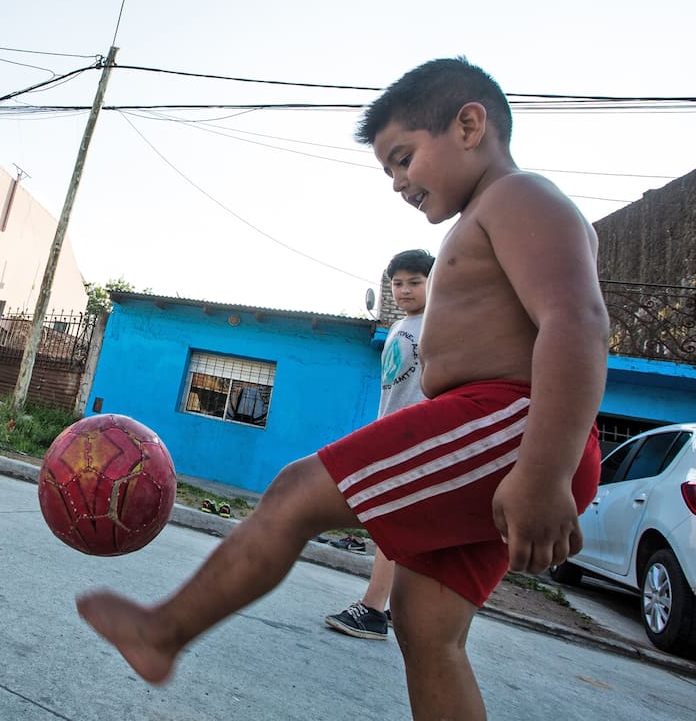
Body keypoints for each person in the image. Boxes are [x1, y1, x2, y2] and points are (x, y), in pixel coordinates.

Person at [75, 57, 609, 720]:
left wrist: (543, 473)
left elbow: (577, 321)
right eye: (388, 169)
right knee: (425, 628)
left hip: (514, 429)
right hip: (498, 437)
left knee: (298, 492)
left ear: (470, 124)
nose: (397, 182)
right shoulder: (487, 216)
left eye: (404, 158)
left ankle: (164, 633)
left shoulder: (519, 197)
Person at [324, 248, 434, 640]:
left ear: (433, 282)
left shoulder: (439, 324)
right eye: (398, 283)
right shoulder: (405, 324)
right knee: (393, 524)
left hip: (417, 437)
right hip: (392, 431)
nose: (404, 290)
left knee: (392, 523)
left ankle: (373, 609)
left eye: (414, 282)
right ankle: (391, 610)